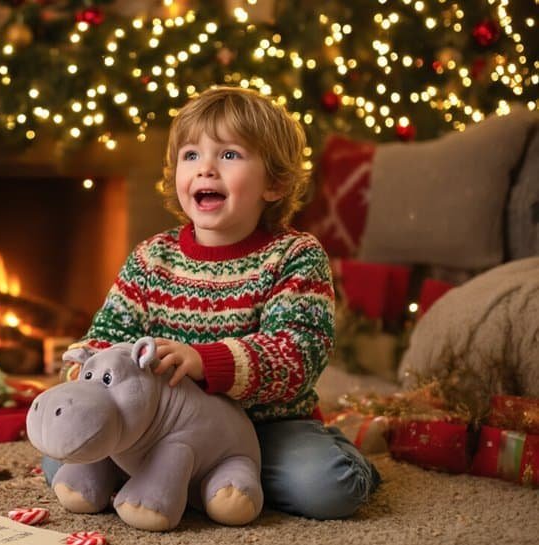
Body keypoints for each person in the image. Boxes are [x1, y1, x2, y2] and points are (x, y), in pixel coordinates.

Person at [44, 86, 379, 520]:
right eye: (190, 156)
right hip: (159, 426)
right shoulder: (152, 258)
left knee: (326, 487)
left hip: (266, 426)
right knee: (62, 457)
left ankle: (242, 475)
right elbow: (108, 335)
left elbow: (299, 353)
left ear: (274, 183)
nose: (205, 169)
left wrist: (207, 362)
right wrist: (86, 371)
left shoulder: (295, 255)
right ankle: (195, 482)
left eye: (229, 155)